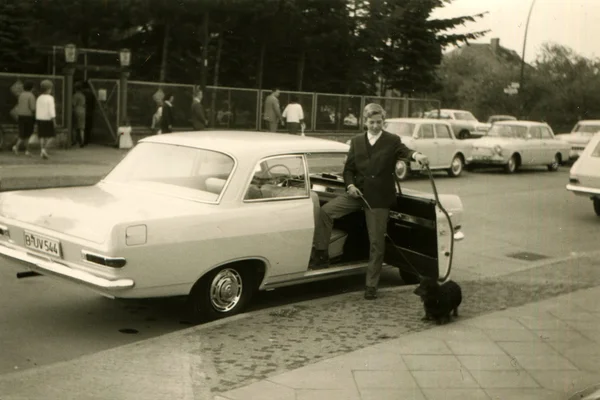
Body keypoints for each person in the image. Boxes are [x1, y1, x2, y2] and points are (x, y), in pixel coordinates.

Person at [310, 103, 429, 300]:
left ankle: (371, 285)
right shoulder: (356, 142)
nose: (375, 126)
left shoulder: (392, 140)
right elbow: (348, 170)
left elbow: (406, 152)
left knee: (376, 242)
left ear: (384, 122)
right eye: (371, 122)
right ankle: (321, 254)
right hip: (357, 194)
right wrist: (350, 186)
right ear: (365, 122)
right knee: (326, 212)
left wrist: (417, 156)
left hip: (379, 199)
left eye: (379, 122)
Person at [35, 80, 57, 159]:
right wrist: (54, 120)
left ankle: (42, 150)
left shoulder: (39, 98)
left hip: (39, 118)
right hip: (48, 119)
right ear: (48, 89)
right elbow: (51, 110)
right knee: (51, 136)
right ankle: (44, 149)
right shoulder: (50, 98)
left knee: (42, 136)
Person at [12, 81, 36, 156]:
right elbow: (32, 108)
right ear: (31, 88)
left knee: (22, 133)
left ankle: (26, 150)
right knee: (27, 134)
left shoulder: (21, 95)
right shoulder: (31, 96)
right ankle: (17, 147)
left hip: (20, 116)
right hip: (28, 116)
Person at [72, 82, 86, 147]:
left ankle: (74, 141)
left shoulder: (75, 95)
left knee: (74, 127)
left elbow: (73, 104)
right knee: (81, 128)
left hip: (77, 110)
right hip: (83, 110)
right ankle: (82, 141)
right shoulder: (83, 95)